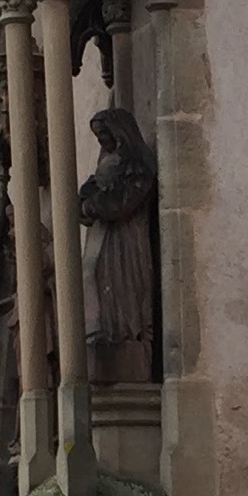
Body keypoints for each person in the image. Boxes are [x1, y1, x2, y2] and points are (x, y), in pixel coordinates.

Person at [78, 106, 158, 384]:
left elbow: (127, 197)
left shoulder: (136, 164)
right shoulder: (107, 162)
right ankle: (103, 332)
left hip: (124, 238)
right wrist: (88, 202)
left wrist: (95, 204)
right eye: (98, 136)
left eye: (105, 133)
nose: (102, 140)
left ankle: (125, 333)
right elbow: (86, 193)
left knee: (121, 280)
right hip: (103, 234)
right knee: (92, 275)